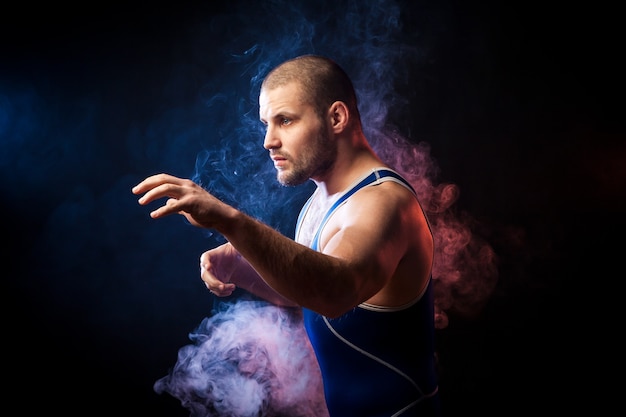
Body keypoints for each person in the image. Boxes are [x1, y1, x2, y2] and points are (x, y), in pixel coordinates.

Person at [132, 54, 440, 416]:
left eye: (285, 121)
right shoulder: (320, 201)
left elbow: (335, 293)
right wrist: (242, 266)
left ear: (337, 117)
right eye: (266, 124)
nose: (268, 141)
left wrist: (230, 221)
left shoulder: (382, 202)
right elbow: (306, 292)